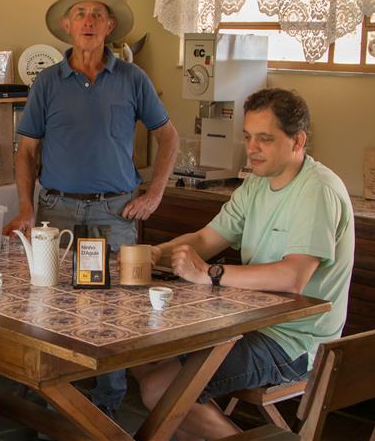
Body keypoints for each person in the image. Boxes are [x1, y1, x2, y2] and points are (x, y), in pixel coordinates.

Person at [132, 88, 354, 440]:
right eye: (249, 137)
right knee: (144, 358)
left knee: (162, 390)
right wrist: (157, 251)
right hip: (249, 322)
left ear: (298, 141)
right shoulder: (257, 184)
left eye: (265, 139)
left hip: (293, 341)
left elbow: (294, 276)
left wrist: (210, 274)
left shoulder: (317, 190)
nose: (252, 149)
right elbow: (207, 238)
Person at [3, 0, 179, 417]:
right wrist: (26, 207)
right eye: (80, 14)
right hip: (57, 208)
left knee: (113, 304)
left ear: (110, 26)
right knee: (50, 297)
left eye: (97, 15)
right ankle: (49, 388)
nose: (88, 21)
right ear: (66, 25)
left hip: (114, 210)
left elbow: (169, 137)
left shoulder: (134, 79)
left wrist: (153, 194)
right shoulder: (47, 82)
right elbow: (26, 150)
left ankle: (107, 403)